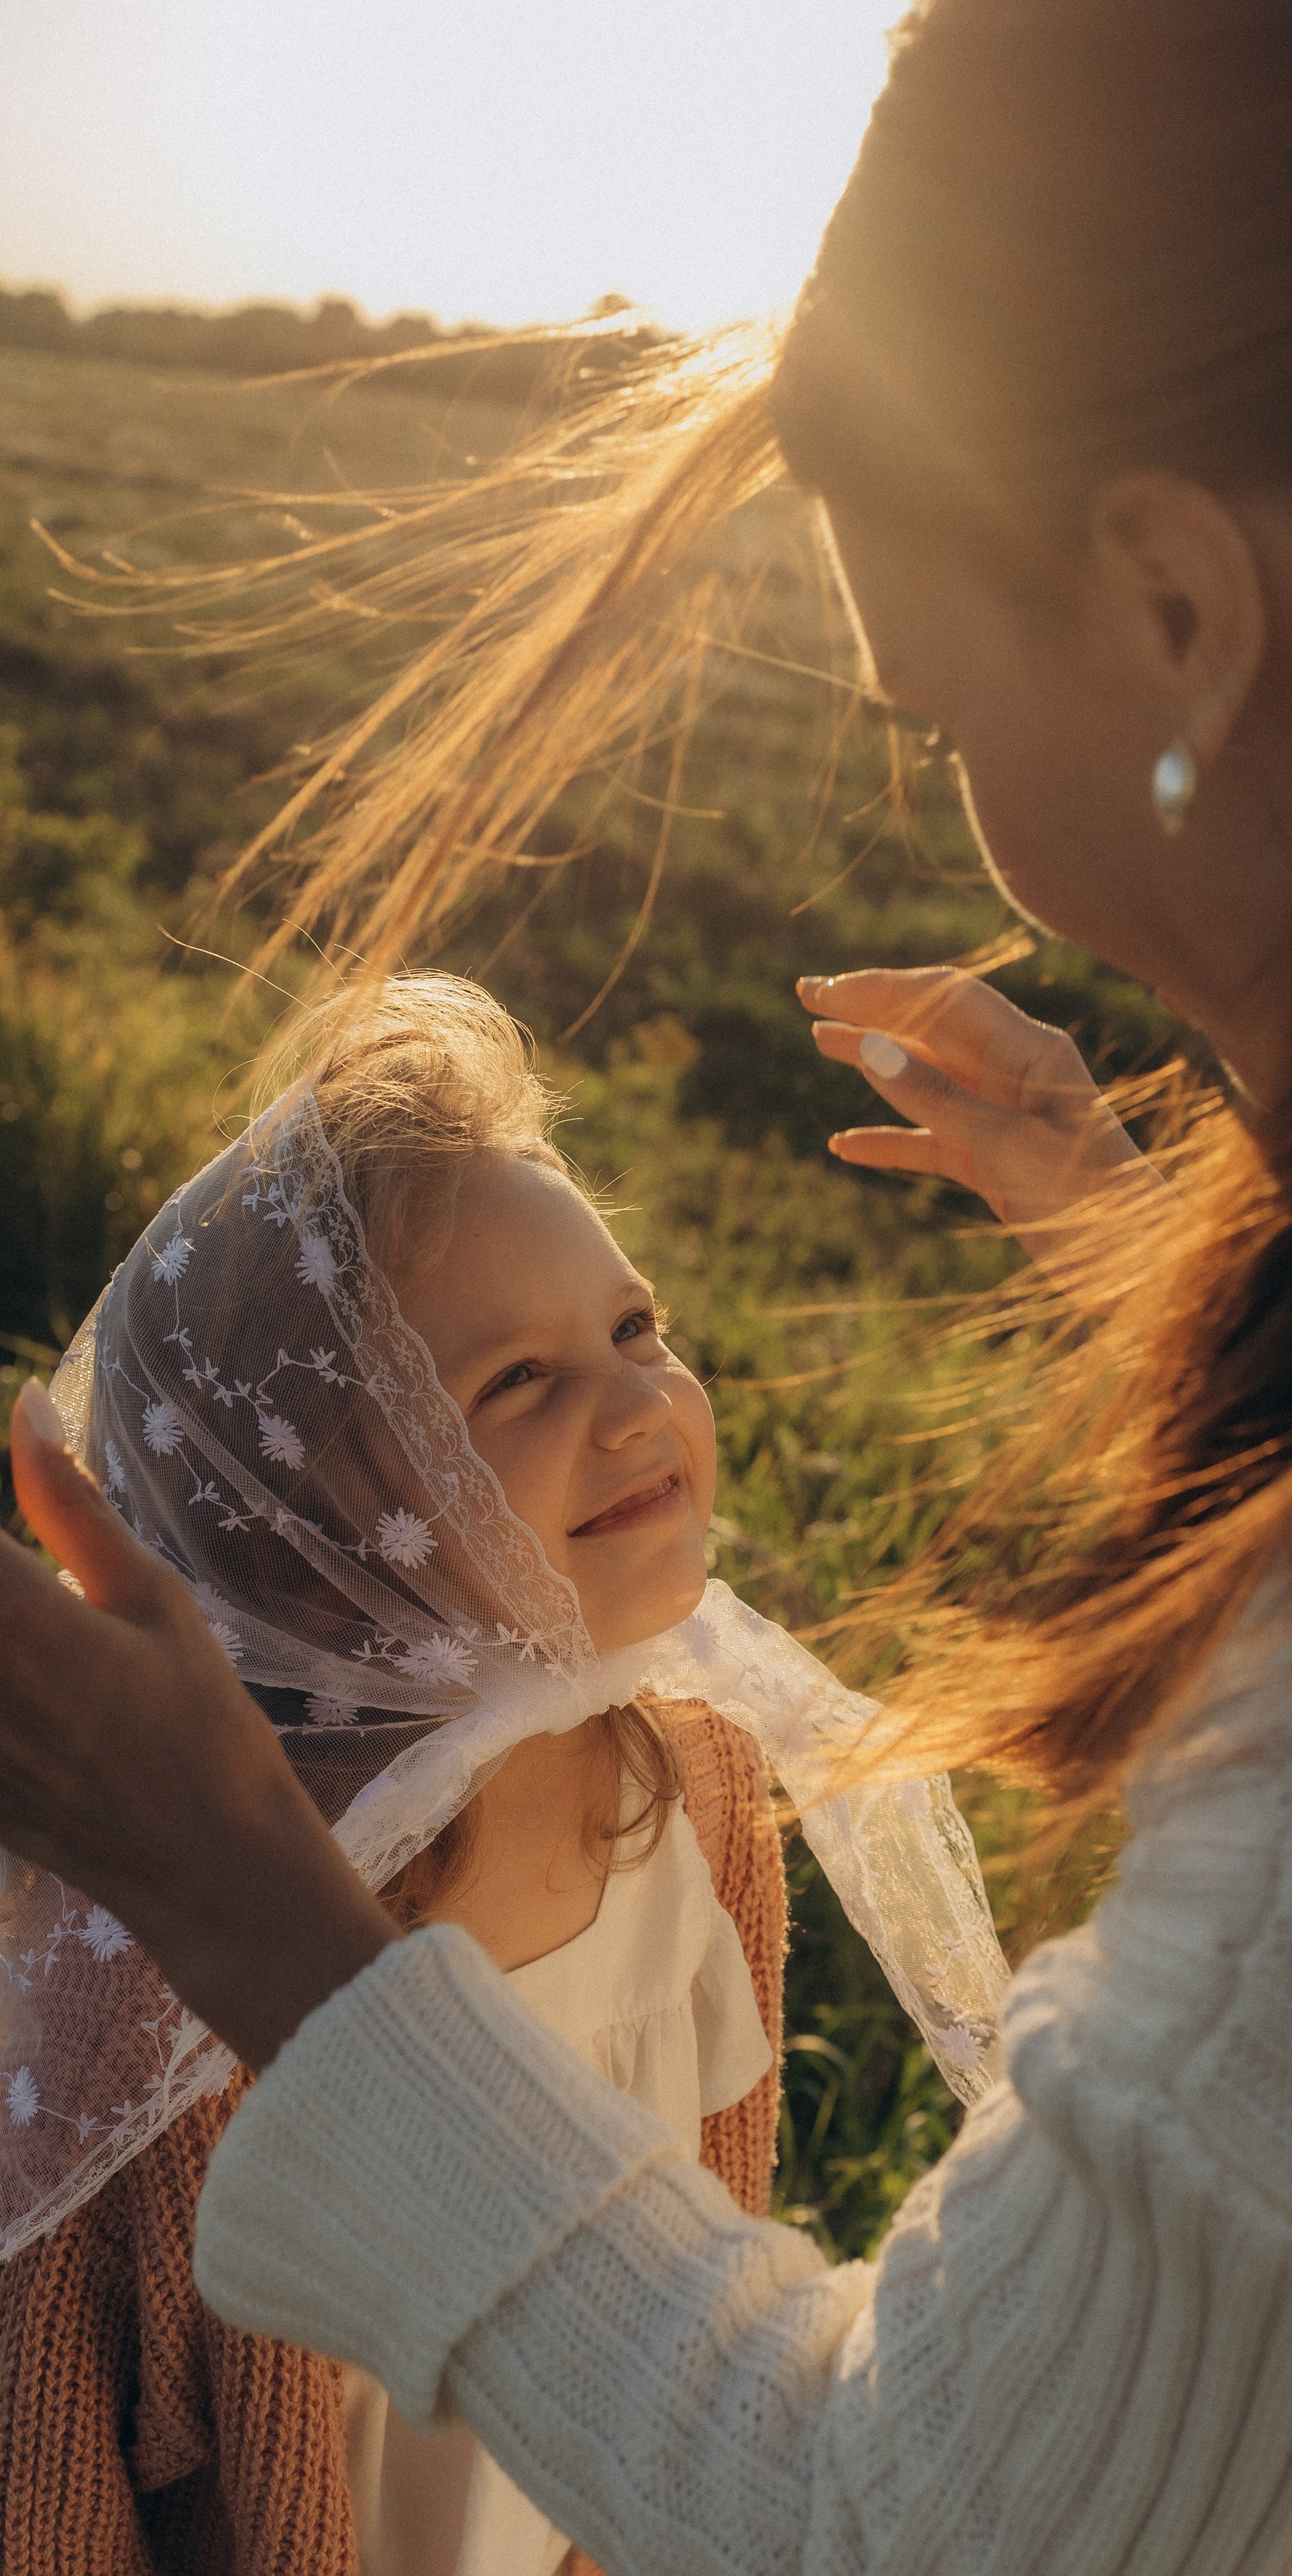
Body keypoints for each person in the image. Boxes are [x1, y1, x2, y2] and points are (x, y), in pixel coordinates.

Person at [4, 0, 1292, 2568]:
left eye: (926, 726)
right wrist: (1148, 1237)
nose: (972, 811)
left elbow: (902, 2523)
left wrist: (234, 1892)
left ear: (1176, 605)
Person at [0, 975, 1004, 2575]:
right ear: (310, 1534)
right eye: (513, 1384)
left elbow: (708, 2247)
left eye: (634, 1328)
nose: (636, 1406)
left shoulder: (692, 1785)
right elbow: (47, 2484)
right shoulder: (160, 2006)